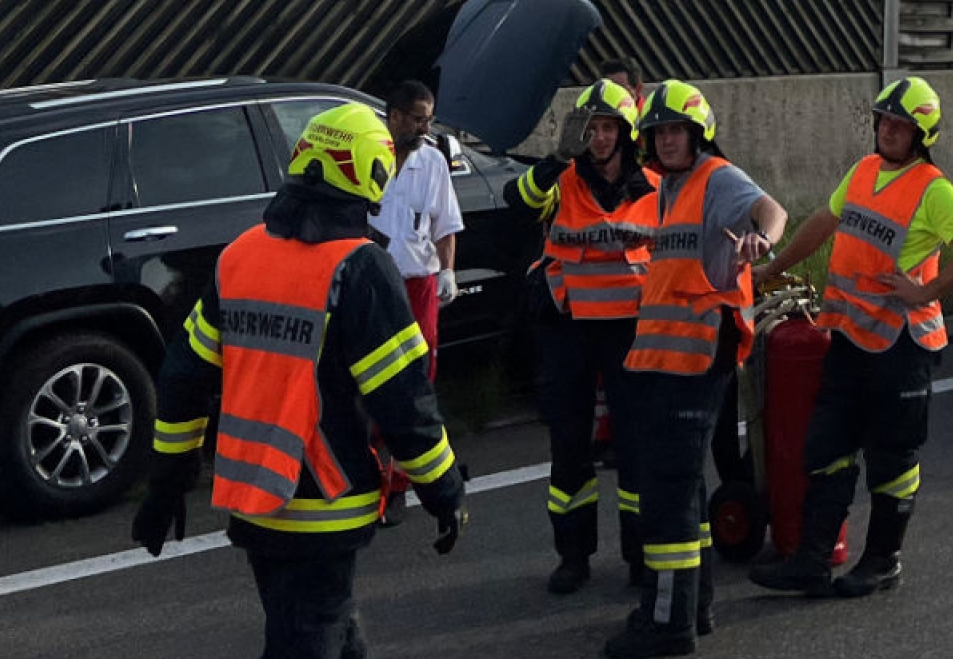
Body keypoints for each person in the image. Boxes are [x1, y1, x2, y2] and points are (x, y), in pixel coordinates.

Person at [131, 103, 467, 659]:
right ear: (371, 174)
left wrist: (167, 484)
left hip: (253, 501)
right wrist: (445, 489)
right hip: (328, 503)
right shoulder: (359, 268)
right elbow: (404, 402)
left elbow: (183, 379)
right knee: (310, 634)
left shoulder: (238, 256)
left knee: (318, 625)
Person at [747, 78, 953, 599]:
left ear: (920, 134)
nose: (888, 131)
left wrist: (927, 291)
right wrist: (772, 270)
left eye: (900, 126)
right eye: (883, 121)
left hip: (903, 350)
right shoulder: (863, 171)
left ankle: (883, 561)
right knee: (827, 447)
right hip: (850, 341)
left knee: (892, 459)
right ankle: (811, 563)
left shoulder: (933, 188)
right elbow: (822, 222)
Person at [605, 81, 786, 658]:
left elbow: (770, 209)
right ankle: (695, 606)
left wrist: (764, 239)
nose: (667, 140)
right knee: (682, 489)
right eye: (658, 133)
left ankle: (668, 624)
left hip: (696, 361)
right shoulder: (670, 187)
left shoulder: (716, 178)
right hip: (665, 363)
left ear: (698, 134)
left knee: (665, 495)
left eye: (675, 130)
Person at [506, 80, 657, 595]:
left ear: (627, 134)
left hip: (629, 330)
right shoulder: (561, 180)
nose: (598, 138)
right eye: (590, 128)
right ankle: (573, 556)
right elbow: (518, 200)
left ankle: (641, 555)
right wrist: (554, 158)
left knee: (637, 445)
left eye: (608, 127)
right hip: (567, 328)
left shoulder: (655, 188)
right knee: (569, 444)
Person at [371, 80, 464, 524]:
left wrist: (447, 270)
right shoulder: (369, 154)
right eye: (418, 119)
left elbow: (445, 223)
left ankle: (404, 483)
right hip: (374, 285)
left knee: (416, 381)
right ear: (394, 116)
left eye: (429, 119)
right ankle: (372, 476)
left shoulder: (432, 162)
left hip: (418, 283)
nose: (425, 128)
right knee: (369, 382)